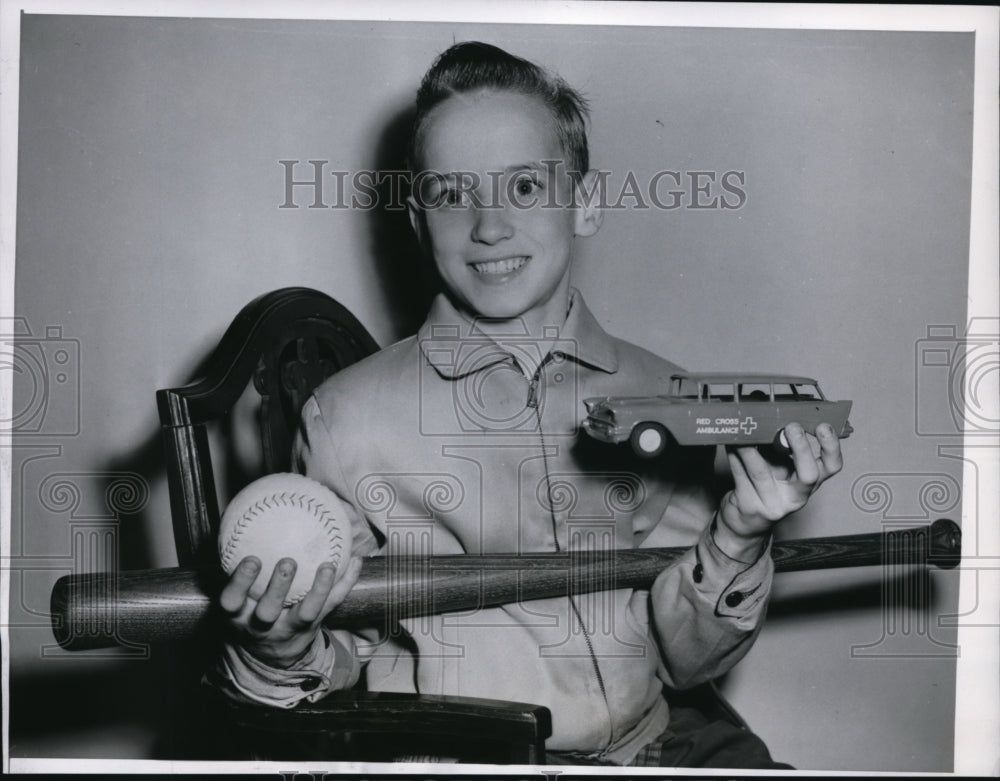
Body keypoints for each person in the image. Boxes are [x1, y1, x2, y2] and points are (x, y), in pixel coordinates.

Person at [211, 41, 844, 767]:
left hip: (655, 746)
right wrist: (279, 645)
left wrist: (739, 533)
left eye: (522, 188)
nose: (487, 225)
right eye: (452, 195)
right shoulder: (347, 419)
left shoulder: (666, 397)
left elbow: (685, 663)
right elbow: (333, 674)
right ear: (419, 221)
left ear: (585, 202)